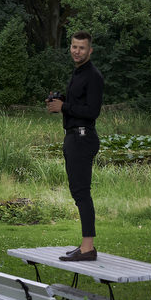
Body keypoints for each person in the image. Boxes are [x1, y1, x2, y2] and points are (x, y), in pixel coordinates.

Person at [46, 30, 104, 262]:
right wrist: (60, 102)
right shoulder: (78, 73)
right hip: (73, 137)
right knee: (78, 191)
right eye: (74, 47)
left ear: (90, 50)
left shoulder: (93, 76)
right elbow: (77, 105)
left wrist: (64, 107)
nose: (77, 51)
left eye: (81, 48)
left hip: (82, 138)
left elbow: (92, 111)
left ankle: (88, 248)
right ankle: (85, 246)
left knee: (81, 192)